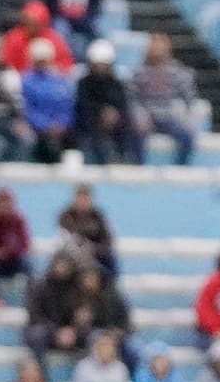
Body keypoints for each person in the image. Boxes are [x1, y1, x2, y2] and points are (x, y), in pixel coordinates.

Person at [130, 32, 197, 165]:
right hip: (147, 117)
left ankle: (180, 168)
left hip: (168, 117)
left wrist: (188, 115)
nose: (157, 50)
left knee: (187, 137)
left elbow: (189, 95)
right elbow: (132, 98)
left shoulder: (176, 71)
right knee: (134, 135)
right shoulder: (138, 72)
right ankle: (139, 166)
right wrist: (140, 116)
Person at [75, 39, 140, 165]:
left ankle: (131, 163)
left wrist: (114, 114)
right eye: (98, 65)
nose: (101, 68)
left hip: (115, 122)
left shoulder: (116, 83)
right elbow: (83, 106)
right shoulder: (84, 83)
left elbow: (123, 104)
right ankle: (101, 166)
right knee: (93, 138)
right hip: (91, 122)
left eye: (104, 65)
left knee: (132, 131)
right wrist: (101, 113)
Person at [0, 28, 36, 164]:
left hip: (7, 119)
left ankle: (14, 172)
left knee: (28, 138)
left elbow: (17, 101)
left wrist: (20, 120)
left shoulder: (8, 73)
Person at [22, 38, 76, 164]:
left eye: (44, 59)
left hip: (62, 128)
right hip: (37, 129)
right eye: (38, 60)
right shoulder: (26, 80)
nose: (42, 63)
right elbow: (27, 108)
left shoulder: (60, 80)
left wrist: (62, 123)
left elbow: (67, 105)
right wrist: (45, 125)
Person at [58, 184, 116, 277]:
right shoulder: (66, 216)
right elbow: (65, 238)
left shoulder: (98, 216)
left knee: (109, 263)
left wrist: (94, 249)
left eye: (85, 198)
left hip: (95, 256)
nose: (82, 201)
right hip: (72, 255)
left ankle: (110, 288)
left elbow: (107, 240)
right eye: (79, 198)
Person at [2, 1, 75, 73]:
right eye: (29, 22)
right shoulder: (14, 37)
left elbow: (66, 65)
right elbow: (7, 63)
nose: (31, 26)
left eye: (35, 24)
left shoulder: (53, 39)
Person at [0, 188, 31, 280]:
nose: (2, 206)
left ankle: (32, 293)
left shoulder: (17, 220)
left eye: (6, 203)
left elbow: (24, 244)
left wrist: (6, 252)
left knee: (28, 263)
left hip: (13, 258)